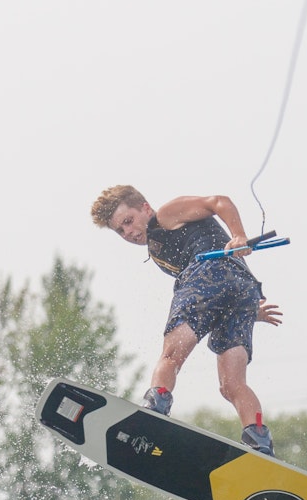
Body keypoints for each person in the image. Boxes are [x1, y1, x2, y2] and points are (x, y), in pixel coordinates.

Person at [90, 185, 281, 456]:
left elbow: (219, 201)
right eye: (121, 231)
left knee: (170, 356)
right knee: (232, 385)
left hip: (207, 272)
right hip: (242, 289)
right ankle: (259, 441)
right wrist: (249, 309)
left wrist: (238, 235)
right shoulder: (155, 249)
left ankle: (153, 412)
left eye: (129, 221)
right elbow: (224, 287)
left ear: (145, 208)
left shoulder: (167, 214)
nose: (129, 232)